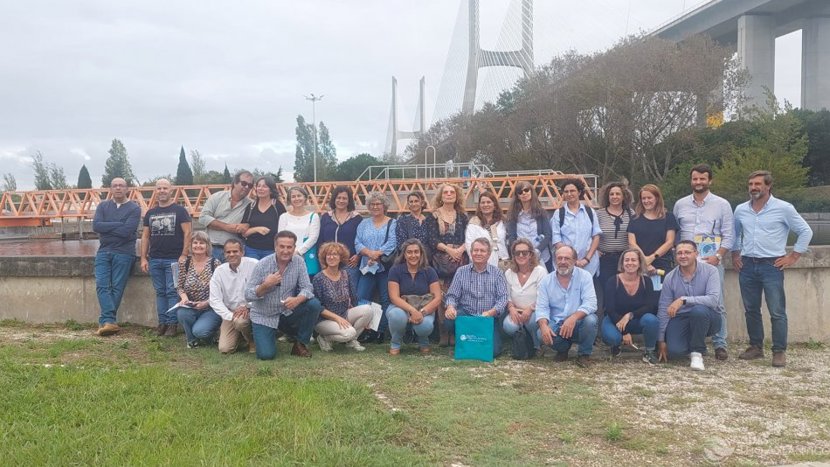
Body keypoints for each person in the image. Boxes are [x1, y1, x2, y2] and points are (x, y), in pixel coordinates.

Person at [732, 170, 813, 368]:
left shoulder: (783, 208)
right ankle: (756, 347)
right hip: (748, 264)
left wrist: (793, 256)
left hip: (771, 265)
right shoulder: (741, 209)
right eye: (751, 184)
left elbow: (805, 231)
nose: (753, 187)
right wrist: (735, 254)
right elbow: (734, 233)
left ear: (768, 186)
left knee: (777, 310)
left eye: (758, 184)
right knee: (751, 309)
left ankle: (779, 351)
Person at [672, 164, 734, 361]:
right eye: (695, 179)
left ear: (710, 180)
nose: (698, 182)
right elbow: (676, 233)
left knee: (717, 303)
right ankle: (690, 341)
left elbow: (729, 235)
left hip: (711, 262)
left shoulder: (722, 204)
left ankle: (720, 344)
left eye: (702, 179)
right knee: (684, 301)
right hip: (684, 261)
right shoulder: (680, 204)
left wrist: (719, 255)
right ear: (691, 181)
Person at [245, 231, 324, 360]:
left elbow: (307, 287)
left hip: (287, 312)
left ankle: (300, 344)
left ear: (294, 247)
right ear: (275, 246)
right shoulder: (262, 264)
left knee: (314, 304)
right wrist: (265, 285)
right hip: (265, 315)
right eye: (282, 246)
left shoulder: (299, 262)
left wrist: (298, 299)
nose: (285, 251)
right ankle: (263, 337)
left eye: (289, 247)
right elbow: (248, 294)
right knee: (266, 355)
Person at [656, 240, 723, 371]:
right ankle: (694, 343)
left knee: (698, 311)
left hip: (708, 317)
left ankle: (697, 353)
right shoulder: (670, 277)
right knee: (675, 352)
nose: (683, 256)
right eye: (679, 253)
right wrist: (661, 340)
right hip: (681, 317)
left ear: (696, 253)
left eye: (687, 252)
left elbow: (713, 300)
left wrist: (683, 300)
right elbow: (664, 308)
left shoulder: (711, 271)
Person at [139, 178, 191, 337]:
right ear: (156, 191)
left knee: (172, 291)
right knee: (160, 292)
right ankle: (162, 323)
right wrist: (143, 258)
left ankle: (172, 324)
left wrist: (184, 254)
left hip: (174, 259)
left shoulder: (180, 211)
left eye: (165, 188)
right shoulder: (150, 213)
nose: (162, 191)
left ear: (171, 191)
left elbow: (188, 233)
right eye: (159, 188)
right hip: (155, 259)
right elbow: (145, 236)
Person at [444, 238, 509, 359]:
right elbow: (452, 295)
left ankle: (470, 342)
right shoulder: (461, 271)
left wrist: (491, 312)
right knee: (449, 319)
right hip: (466, 316)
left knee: (494, 352)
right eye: (475, 250)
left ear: (489, 254)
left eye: (482, 251)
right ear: (471, 252)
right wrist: (451, 307)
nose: (478, 253)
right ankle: (464, 340)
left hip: (488, 318)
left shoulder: (498, 273)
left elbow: (503, 298)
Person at [93, 177, 141, 337]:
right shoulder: (103, 206)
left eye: (121, 186)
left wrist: (109, 227)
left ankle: (107, 321)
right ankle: (109, 321)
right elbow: (96, 226)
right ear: (110, 189)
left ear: (127, 189)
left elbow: (127, 232)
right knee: (101, 285)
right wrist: (119, 224)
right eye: (115, 186)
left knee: (117, 287)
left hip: (124, 253)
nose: (118, 188)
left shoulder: (134, 208)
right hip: (103, 251)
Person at [535, 245, 598, 368]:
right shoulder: (546, 281)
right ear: (555, 260)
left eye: (567, 258)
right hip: (557, 322)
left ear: (574, 261)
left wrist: (573, 318)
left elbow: (591, 303)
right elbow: (542, 307)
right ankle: (563, 349)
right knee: (540, 334)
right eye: (559, 258)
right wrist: (543, 325)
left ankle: (584, 354)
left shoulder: (585, 276)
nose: (563, 262)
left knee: (591, 320)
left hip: (579, 322)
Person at [426, 183, 469, 346]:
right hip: (441, 263)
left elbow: (469, 236)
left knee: (459, 296)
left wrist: (460, 250)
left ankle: (456, 332)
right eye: (446, 192)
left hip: (460, 262)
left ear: (457, 195)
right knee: (441, 297)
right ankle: (444, 333)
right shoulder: (433, 216)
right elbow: (432, 239)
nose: (449, 194)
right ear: (441, 196)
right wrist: (449, 250)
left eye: (452, 192)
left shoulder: (463, 216)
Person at [312, 242, 373, 352]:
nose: (331, 257)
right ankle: (324, 338)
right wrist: (337, 318)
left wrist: (366, 320)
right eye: (328, 255)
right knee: (350, 332)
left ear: (341, 258)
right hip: (323, 320)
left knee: (368, 310)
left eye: (335, 254)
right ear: (324, 258)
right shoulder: (318, 278)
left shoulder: (346, 274)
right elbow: (317, 307)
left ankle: (351, 340)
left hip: (344, 314)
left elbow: (354, 298)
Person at [601, 249, 659, 364]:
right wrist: (624, 332)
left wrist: (630, 315)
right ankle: (616, 346)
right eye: (626, 260)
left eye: (634, 260)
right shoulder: (613, 281)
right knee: (613, 338)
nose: (630, 263)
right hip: (615, 319)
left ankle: (649, 351)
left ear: (639, 263)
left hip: (637, 319)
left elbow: (649, 306)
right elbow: (610, 309)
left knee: (651, 320)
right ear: (622, 263)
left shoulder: (646, 281)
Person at [386, 239, 443, 355]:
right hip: (401, 307)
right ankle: (396, 342)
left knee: (425, 326)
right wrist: (412, 311)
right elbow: (394, 297)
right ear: (404, 255)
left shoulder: (429, 271)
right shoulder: (395, 270)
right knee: (396, 316)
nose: (413, 255)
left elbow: (437, 298)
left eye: (416, 252)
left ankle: (423, 340)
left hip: (424, 308)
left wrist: (421, 312)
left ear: (421, 254)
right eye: (409, 252)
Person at [355, 191, 398, 342]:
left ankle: (380, 331)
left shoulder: (392, 223)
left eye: (378, 204)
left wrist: (377, 255)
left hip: (384, 267)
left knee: (386, 299)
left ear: (384, 205)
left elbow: (393, 242)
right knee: (361, 297)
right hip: (367, 266)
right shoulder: (363, 223)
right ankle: (366, 330)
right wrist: (369, 253)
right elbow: (357, 243)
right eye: (372, 204)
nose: (375, 206)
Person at [175, 231, 223, 348]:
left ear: (207, 246)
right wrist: (184, 298)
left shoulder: (215, 263)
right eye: (195, 243)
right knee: (182, 313)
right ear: (191, 246)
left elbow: (222, 290)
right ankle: (192, 341)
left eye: (202, 243)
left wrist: (206, 302)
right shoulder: (184, 263)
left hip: (211, 307)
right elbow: (179, 286)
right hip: (191, 306)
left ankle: (208, 336)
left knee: (200, 331)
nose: (198, 246)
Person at [209, 239, 257, 354]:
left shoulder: (254, 265)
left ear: (242, 252)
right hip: (230, 312)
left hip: (251, 309)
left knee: (241, 322)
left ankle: (251, 341)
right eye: (228, 252)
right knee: (225, 349)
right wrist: (231, 315)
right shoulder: (219, 271)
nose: (231, 254)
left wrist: (248, 306)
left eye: (235, 251)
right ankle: (240, 336)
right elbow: (214, 299)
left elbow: (263, 290)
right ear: (224, 254)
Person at [501, 238, 547, 353]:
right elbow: (506, 296)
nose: (521, 255)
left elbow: (543, 296)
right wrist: (511, 309)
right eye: (517, 253)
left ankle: (536, 345)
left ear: (531, 254)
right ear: (513, 255)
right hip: (516, 310)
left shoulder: (540, 271)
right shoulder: (508, 273)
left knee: (531, 322)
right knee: (509, 326)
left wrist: (530, 309)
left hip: (535, 310)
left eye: (525, 253)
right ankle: (521, 343)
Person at [551, 178, 601, 277]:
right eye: (566, 192)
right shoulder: (558, 214)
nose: (569, 194)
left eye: (572, 191)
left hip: (589, 265)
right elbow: (557, 240)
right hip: (566, 265)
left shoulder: (590, 212)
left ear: (579, 192)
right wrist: (572, 260)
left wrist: (586, 259)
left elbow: (596, 237)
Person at [199, 170, 254, 261]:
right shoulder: (216, 197)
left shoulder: (251, 205)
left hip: (233, 252)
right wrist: (227, 227)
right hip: (211, 248)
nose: (247, 187)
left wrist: (247, 226)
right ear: (235, 183)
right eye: (244, 183)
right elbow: (203, 217)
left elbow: (254, 223)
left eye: (250, 185)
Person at [317, 186, 363, 287]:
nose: (341, 201)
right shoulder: (326, 217)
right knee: (328, 293)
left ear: (349, 200)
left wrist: (358, 255)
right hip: (329, 261)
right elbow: (320, 240)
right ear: (334, 199)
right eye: (338, 198)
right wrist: (322, 260)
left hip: (349, 263)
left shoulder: (357, 218)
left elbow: (362, 240)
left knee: (349, 294)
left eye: (344, 198)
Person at [628, 184, 678, 275]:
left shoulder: (669, 217)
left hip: (664, 264)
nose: (646, 201)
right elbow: (632, 243)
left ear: (657, 198)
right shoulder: (634, 219)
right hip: (639, 265)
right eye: (643, 198)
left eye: (649, 198)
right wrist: (644, 261)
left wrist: (652, 257)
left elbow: (670, 242)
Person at [596, 181, 635, 292]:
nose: (614, 197)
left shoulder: (630, 213)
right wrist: (595, 251)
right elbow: (591, 234)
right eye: (611, 194)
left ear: (623, 197)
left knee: (624, 288)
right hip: (605, 259)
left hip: (625, 259)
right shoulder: (599, 214)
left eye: (618, 194)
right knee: (608, 288)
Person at [505, 181, 552, 271]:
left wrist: (537, 252)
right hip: (521, 258)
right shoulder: (513, 215)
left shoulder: (542, 213)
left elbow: (548, 235)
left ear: (531, 192)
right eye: (520, 192)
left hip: (541, 258)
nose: (524, 193)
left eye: (526, 190)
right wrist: (518, 252)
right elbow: (511, 237)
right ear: (517, 196)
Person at [279, 186, 321, 276]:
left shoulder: (313, 216)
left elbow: (313, 238)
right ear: (290, 200)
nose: (296, 198)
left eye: (299, 196)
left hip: (306, 257)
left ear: (305, 198)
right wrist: (288, 253)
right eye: (293, 196)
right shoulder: (283, 217)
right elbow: (280, 237)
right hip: (286, 256)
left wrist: (298, 252)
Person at [242, 176, 286, 260]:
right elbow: (243, 233)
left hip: (271, 250)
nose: (260, 188)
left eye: (264, 186)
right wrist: (256, 229)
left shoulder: (277, 206)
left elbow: (284, 229)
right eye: (258, 186)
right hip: (251, 249)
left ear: (271, 190)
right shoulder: (251, 207)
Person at [465, 190, 509, 269]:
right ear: (479, 206)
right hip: (481, 264)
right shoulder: (473, 223)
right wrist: (477, 263)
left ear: (494, 205)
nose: (486, 205)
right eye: (483, 202)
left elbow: (508, 242)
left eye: (489, 202)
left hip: (502, 263)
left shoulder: (502, 222)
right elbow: (469, 245)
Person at [396, 191, 432, 260]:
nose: (413, 204)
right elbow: (401, 243)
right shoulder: (402, 220)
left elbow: (432, 242)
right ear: (408, 204)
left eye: (416, 201)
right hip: (409, 258)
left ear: (422, 203)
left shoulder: (429, 221)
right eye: (411, 202)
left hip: (427, 259)